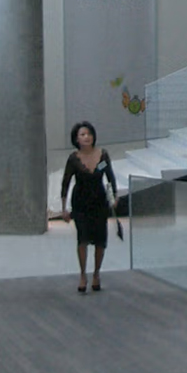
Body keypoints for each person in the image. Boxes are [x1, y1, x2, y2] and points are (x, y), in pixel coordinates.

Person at [60, 120, 117, 293]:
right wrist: (64, 208)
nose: (87, 137)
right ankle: (83, 274)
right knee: (82, 239)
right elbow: (66, 183)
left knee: (100, 240)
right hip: (81, 203)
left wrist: (114, 197)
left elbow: (110, 177)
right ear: (76, 139)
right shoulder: (74, 159)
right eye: (82, 134)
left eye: (89, 134)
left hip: (99, 202)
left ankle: (96, 273)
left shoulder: (102, 156)